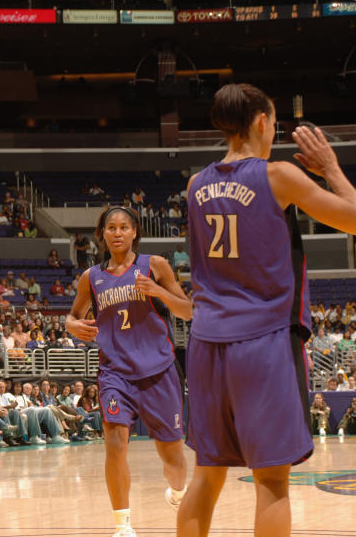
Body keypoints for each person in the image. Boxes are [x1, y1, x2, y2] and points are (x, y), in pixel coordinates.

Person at [177, 84, 356, 537]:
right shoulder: (278, 176)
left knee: (206, 473)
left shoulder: (195, 185)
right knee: (272, 481)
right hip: (264, 341)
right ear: (261, 121)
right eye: (274, 122)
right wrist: (332, 168)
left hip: (206, 342)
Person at [67, 206, 191, 537]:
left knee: (172, 456)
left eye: (124, 227)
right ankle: (122, 526)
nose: (118, 232)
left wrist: (159, 291)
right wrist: (74, 326)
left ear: (135, 231)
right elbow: (72, 317)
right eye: (111, 228)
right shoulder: (91, 278)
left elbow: (189, 310)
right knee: (115, 441)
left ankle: (178, 493)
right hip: (114, 373)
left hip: (159, 370)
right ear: (102, 234)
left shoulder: (156, 266)